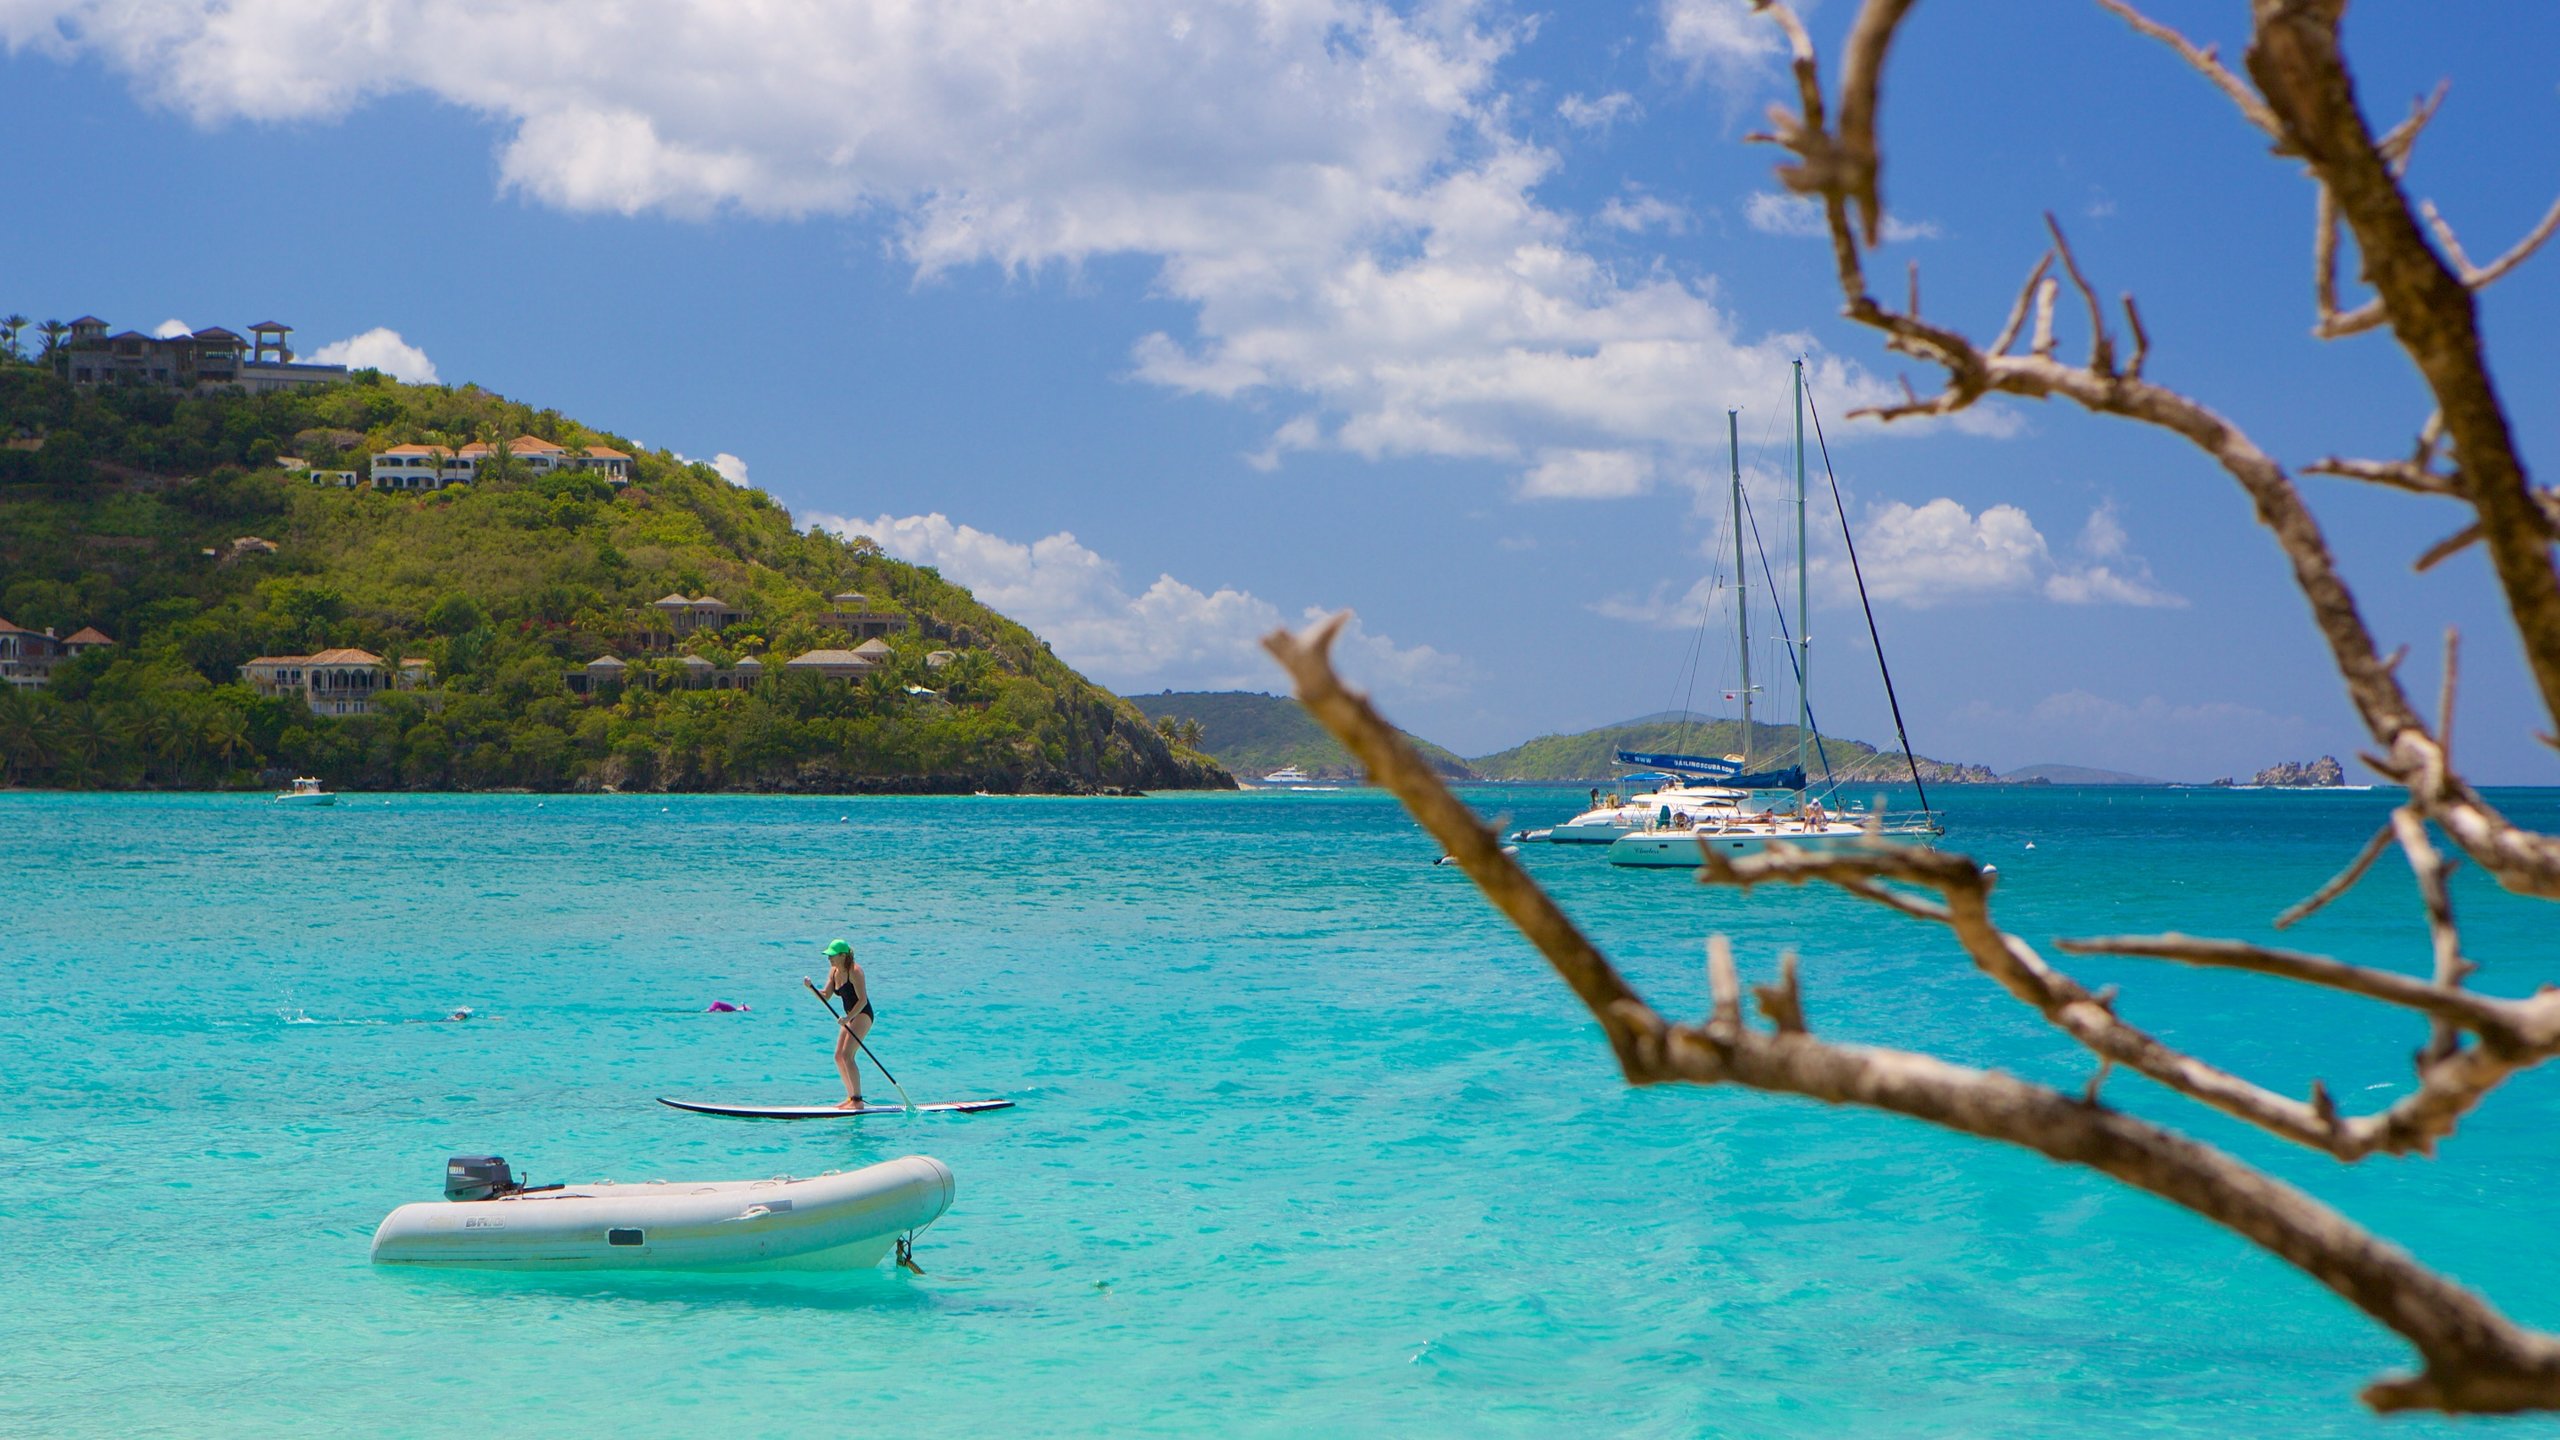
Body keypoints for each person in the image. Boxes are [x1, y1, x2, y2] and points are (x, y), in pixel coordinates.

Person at [821, 938, 875, 1109]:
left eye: (832, 955)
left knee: (847, 1055)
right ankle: (851, 1098)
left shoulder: (855, 971)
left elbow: (862, 1000)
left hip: (862, 1014)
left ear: (843, 955)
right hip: (849, 1017)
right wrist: (811, 988)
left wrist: (847, 1018)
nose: (829, 958)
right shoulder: (833, 971)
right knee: (838, 1056)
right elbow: (826, 996)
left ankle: (858, 1101)